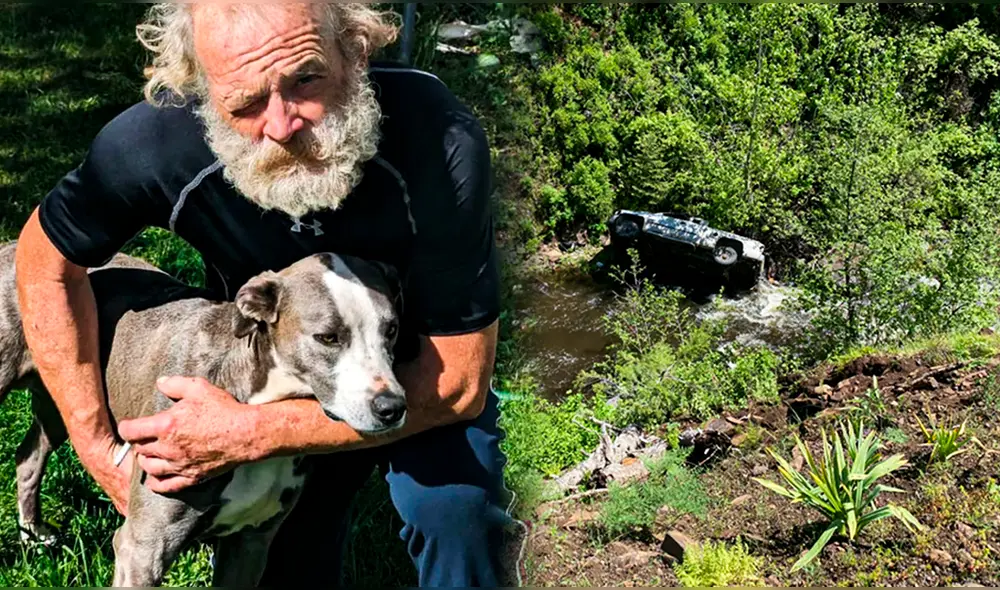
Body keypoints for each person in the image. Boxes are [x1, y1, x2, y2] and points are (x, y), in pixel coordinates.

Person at [14, 3, 522, 586]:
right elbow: (43, 264)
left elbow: (459, 381)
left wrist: (247, 435)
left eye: (306, 79)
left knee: (458, 516)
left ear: (354, 51)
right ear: (202, 92)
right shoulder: (153, 145)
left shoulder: (438, 137)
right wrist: (98, 444)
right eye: (246, 104)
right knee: (285, 565)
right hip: (271, 371)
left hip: (418, 375)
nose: (281, 125)